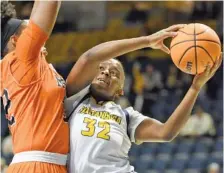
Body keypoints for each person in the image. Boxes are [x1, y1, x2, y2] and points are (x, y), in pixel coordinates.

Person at [64, 18, 222, 172]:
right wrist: (147, 41)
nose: (105, 73)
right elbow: (89, 58)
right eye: (101, 69)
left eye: (114, 73)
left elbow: (166, 133)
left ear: (121, 90)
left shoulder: (127, 116)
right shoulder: (74, 101)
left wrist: (195, 87)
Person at [1, 1, 106, 172]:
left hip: (47, 162)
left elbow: (88, 58)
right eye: (27, 32)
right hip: (36, 164)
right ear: (15, 41)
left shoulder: (30, 70)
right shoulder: (20, 60)